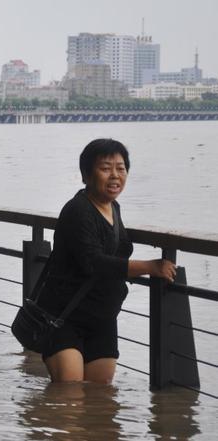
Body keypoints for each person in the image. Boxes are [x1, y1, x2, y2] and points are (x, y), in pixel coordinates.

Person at [37, 139, 176, 383]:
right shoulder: (77, 210)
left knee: (100, 399)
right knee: (69, 397)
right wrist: (150, 267)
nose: (115, 176)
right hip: (65, 317)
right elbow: (94, 262)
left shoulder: (114, 208)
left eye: (120, 168)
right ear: (86, 175)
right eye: (105, 168)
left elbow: (116, 254)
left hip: (102, 318)